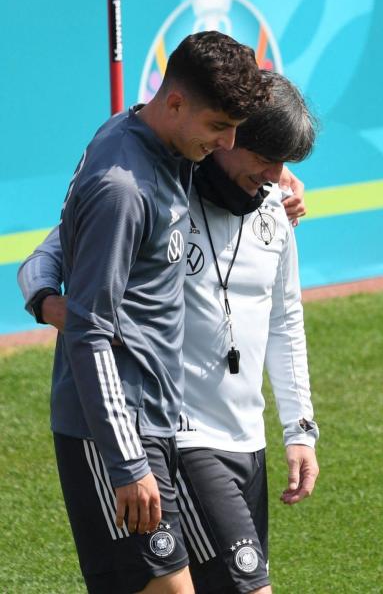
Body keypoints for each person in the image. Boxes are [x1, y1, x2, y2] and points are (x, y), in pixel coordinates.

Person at [20, 71, 319, 594]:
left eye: (284, 165)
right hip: (178, 433)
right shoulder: (154, 195)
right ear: (225, 139)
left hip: (246, 438)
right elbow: (47, 255)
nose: (275, 175)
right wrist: (53, 306)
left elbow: (285, 318)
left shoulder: (274, 203)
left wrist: (299, 428)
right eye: (265, 157)